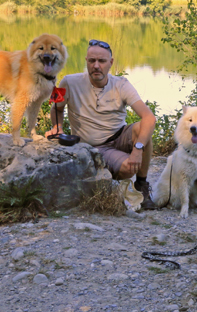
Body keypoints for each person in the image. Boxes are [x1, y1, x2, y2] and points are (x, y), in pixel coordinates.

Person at [47, 39, 157, 209]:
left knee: (144, 128)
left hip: (120, 136)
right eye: (92, 61)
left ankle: (142, 185)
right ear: (86, 61)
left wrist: (137, 149)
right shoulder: (68, 82)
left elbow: (149, 117)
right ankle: (115, 173)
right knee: (129, 169)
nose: (96, 66)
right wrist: (57, 127)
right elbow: (55, 107)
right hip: (97, 147)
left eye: (102, 61)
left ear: (110, 63)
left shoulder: (122, 84)